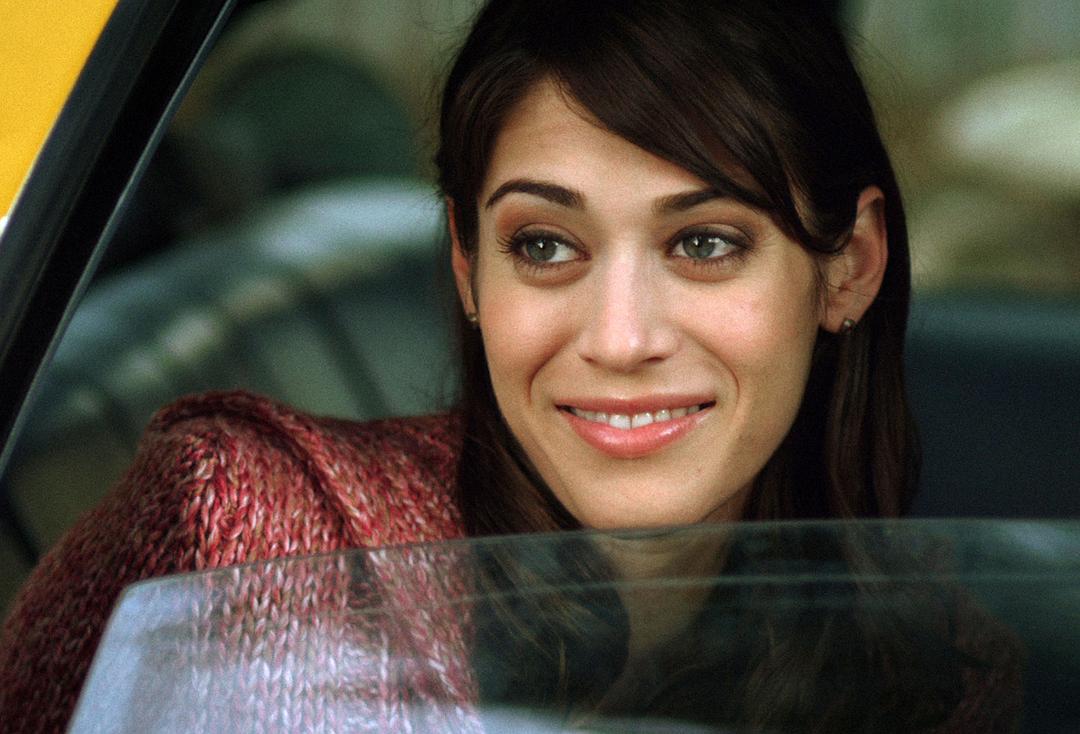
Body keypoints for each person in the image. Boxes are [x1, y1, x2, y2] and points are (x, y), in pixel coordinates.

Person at [0, 1, 1019, 731]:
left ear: (851, 265)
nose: (619, 338)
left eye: (705, 242)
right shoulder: (238, 523)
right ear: (467, 266)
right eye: (545, 244)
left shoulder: (935, 653)